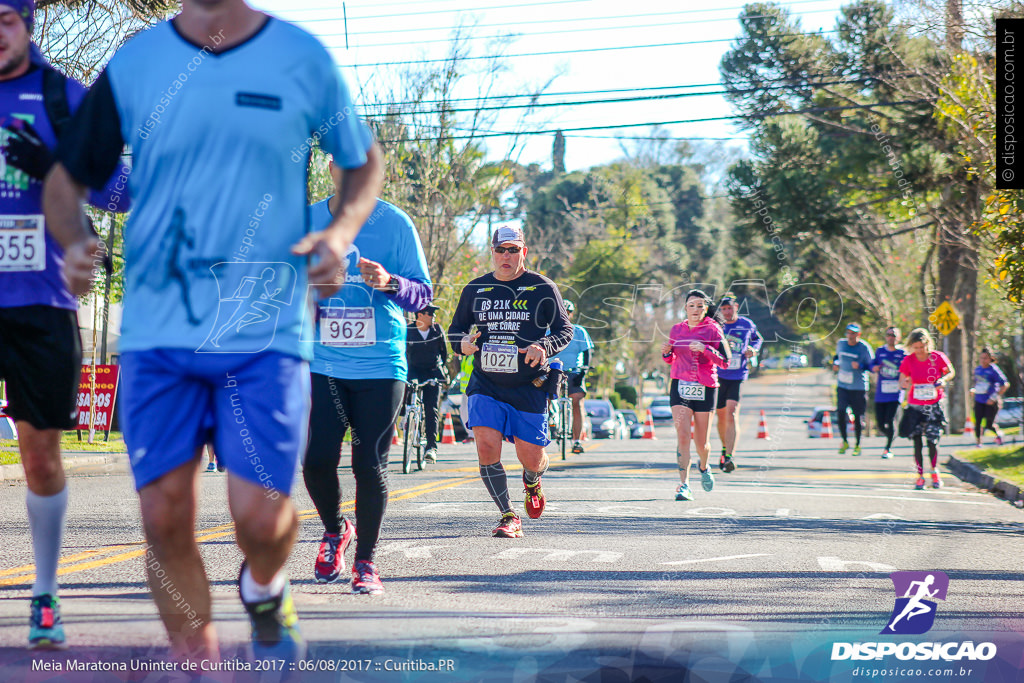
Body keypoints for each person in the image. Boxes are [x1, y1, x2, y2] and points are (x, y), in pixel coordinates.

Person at [43, 0, 382, 664]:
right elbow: (65, 179)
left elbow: (362, 162)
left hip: (265, 326)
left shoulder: (301, 56)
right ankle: (199, 667)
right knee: (164, 519)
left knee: (261, 520)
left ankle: (264, 585)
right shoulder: (139, 61)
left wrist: (339, 234)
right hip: (157, 330)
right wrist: (76, 240)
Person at [0, 0, 129, 649]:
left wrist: (50, 170)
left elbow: (122, 191)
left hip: (41, 303)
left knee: (40, 455)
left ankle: (44, 593)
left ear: (25, 22)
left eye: (4, 18)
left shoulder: (64, 99)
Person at [303, 165, 431, 596]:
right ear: (332, 167)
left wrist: (391, 282)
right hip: (323, 363)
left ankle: (366, 564)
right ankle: (337, 530)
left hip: (381, 365)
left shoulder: (396, 223)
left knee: (368, 465)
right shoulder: (309, 220)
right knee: (316, 461)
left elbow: (424, 295)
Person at [447, 225, 572, 538]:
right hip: (485, 383)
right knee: (487, 448)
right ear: (492, 252)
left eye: (513, 250)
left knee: (532, 457)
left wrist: (543, 346)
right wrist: (461, 343)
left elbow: (565, 331)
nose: (506, 255)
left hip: (528, 386)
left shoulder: (541, 287)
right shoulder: (475, 289)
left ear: (523, 252)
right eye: (501, 249)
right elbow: (454, 331)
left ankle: (532, 481)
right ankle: (508, 514)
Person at [661, 290, 730, 501]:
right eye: (692, 305)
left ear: (706, 309)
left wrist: (706, 349)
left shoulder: (713, 329)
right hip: (680, 385)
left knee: (702, 443)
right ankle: (684, 485)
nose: (696, 310)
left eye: (700, 306)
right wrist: (666, 352)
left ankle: (704, 465)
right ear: (685, 308)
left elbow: (725, 361)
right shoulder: (677, 329)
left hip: (706, 386)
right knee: (683, 436)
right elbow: (671, 359)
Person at [898, 328, 955, 490]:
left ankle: (934, 471)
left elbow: (951, 372)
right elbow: (902, 379)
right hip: (915, 405)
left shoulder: (937, 357)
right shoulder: (909, 360)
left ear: (927, 344)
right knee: (916, 441)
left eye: (922, 347)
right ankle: (920, 475)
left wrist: (943, 379)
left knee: (932, 440)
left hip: (934, 404)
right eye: (915, 348)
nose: (919, 351)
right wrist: (904, 383)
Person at [713, 294, 762, 473]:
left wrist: (753, 350)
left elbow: (757, 339)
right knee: (721, 416)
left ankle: (729, 456)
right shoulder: (717, 325)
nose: (726, 312)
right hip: (718, 375)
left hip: (737, 375)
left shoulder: (746, 324)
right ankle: (724, 448)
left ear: (736, 307)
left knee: (731, 412)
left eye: (729, 308)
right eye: (723, 309)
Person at [549, 299, 595, 454]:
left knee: (577, 401)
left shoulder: (579, 331)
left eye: (567, 313)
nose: (564, 315)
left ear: (571, 314)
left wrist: (584, 372)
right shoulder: (547, 331)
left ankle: (576, 441)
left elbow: (587, 351)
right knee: (543, 396)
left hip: (574, 371)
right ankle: (551, 420)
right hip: (552, 369)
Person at [405, 304, 448, 463]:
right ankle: (408, 422)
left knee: (431, 409)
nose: (433, 316)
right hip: (414, 371)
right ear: (420, 315)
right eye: (429, 313)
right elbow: (402, 353)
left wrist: (441, 373)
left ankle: (431, 448)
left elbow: (444, 354)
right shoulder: (408, 331)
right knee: (409, 399)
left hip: (432, 371)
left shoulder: (437, 331)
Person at [832, 323, 874, 456]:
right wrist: (835, 364)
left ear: (858, 334)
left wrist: (861, 365)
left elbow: (872, 366)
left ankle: (857, 444)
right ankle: (844, 441)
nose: (850, 335)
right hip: (842, 385)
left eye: (854, 333)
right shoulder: (841, 344)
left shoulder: (864, 347)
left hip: (858, 387)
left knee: (858, 417)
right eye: (849, 333)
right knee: (840, 412)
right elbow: (837, 357)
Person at [871, 327, 905, 459]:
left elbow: (908, 369)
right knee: (880, 423)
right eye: (889, 335)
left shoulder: (903, 353)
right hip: (881, 393)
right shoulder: (880, 351)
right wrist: (873, 367)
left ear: (899, 337)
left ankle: (888, 448)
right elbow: (872, 364)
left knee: (890, 420)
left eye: (894, 335)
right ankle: (892, 434)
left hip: (895, 394)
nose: (891, 337)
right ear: (886, 337)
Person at [971, 348, 1009, 447]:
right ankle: (978, 443)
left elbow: (1005, 384)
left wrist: (993, 397)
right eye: (981, 358)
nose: (983, 360)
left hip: (990, 402)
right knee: (977, 422)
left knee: (989, 424)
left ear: (990, 359)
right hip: (979, 400)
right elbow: (977, 384)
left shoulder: (993, 369)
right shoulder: (978, 369)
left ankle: (998, 435)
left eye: (985, 358)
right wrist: (974, 390)